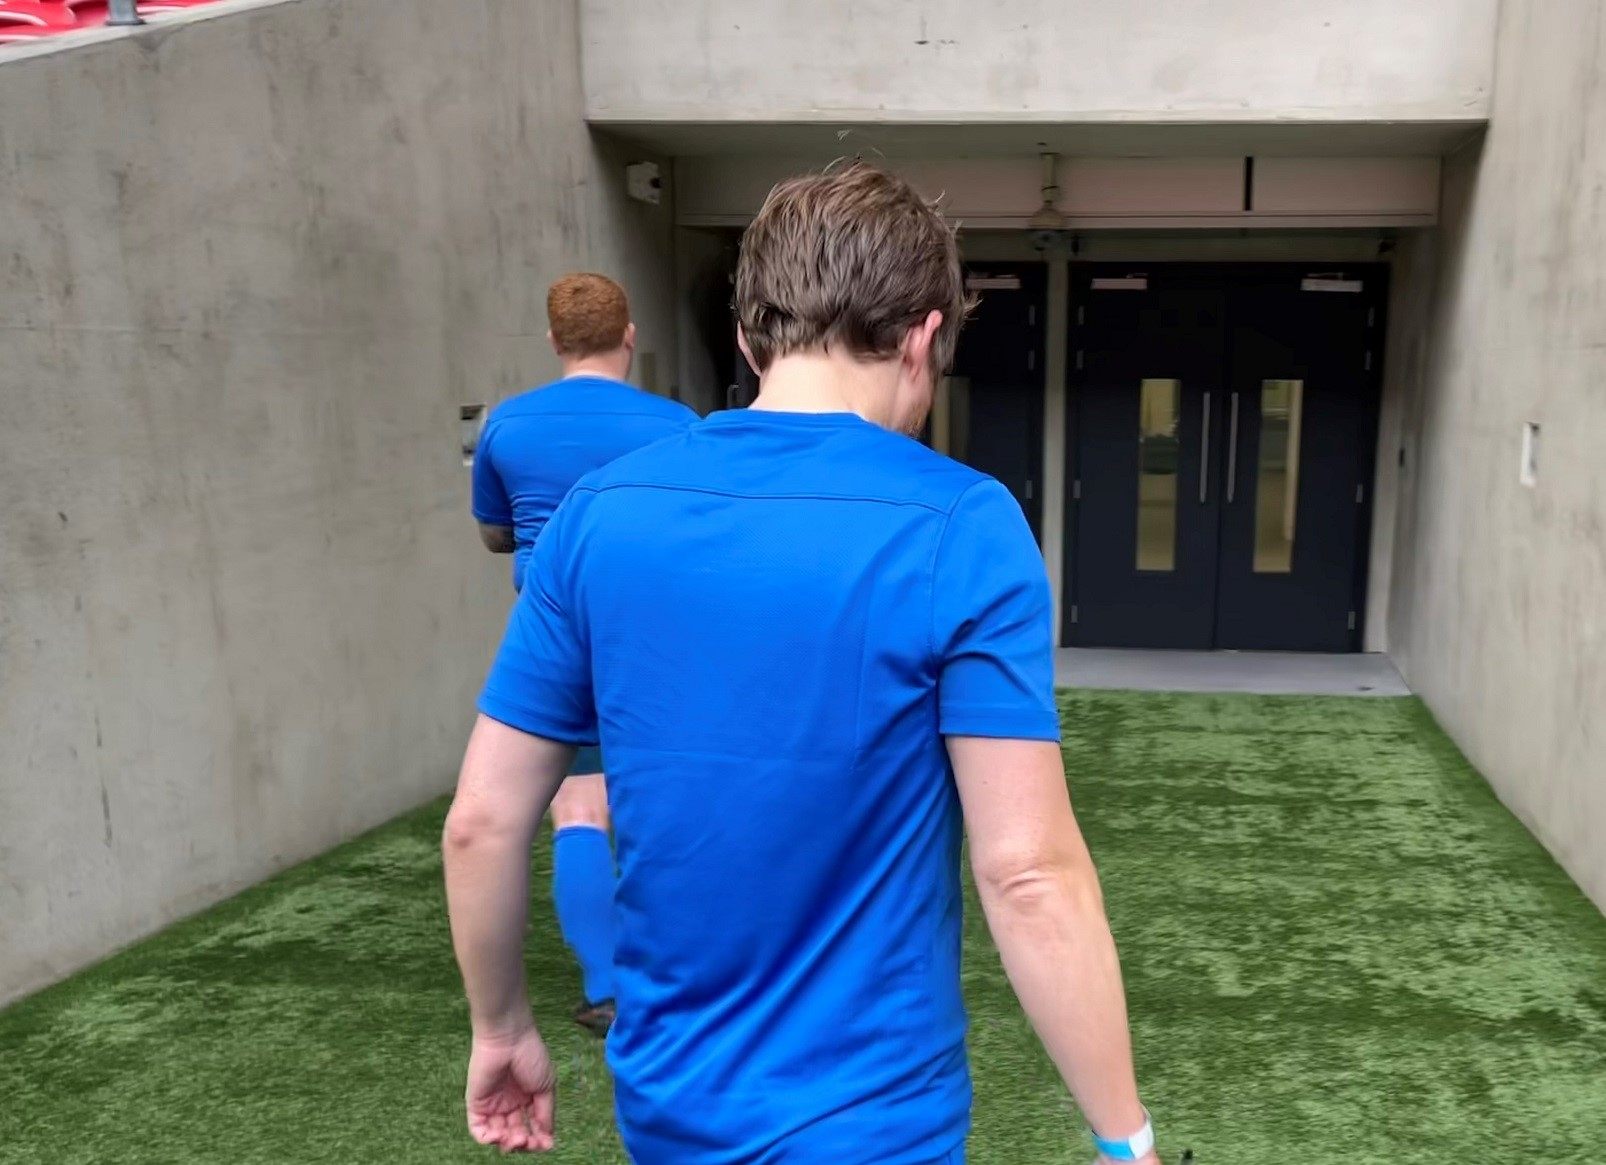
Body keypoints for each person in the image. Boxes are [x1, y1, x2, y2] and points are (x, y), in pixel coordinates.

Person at [444, 164, 1160, 1164]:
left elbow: (480, 822)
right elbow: (1028, 872)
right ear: (925, 335)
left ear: (747, 337)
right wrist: (1125, 1139)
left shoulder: (597, 515)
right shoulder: (965, 523)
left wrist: (502, 1026)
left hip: (667, 1104)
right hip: (878, 1123)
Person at [468, 272, 696, 1035]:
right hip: (655, 633)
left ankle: (607, 990)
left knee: (577, 807)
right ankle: (687, 973)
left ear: (554, 341)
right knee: (666, 803)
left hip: (552, 633)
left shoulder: (507, 425)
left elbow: (496, 532)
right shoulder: (677, 424)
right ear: (629, 337)